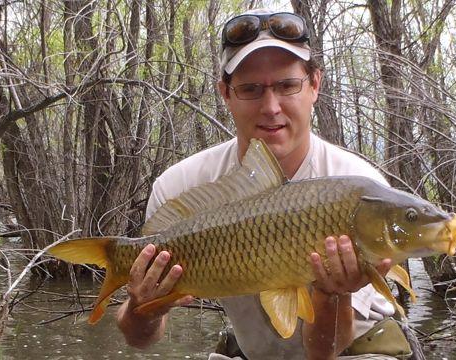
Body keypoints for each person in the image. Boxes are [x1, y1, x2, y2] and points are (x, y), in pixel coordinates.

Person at [117, 8, 406, 359]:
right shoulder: (180, 187)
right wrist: (143, 305)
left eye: (287, 86)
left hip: (356, 348)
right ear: (225, 93)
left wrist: (334, 293)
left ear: (314, 85)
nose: (271, 107)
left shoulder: (360, 191)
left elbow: (323, 353)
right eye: (251, 89)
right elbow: (139, 338)